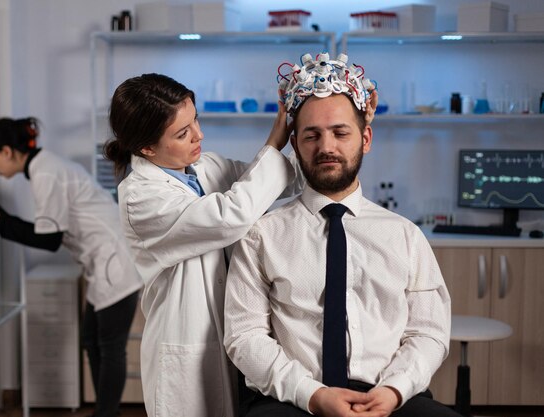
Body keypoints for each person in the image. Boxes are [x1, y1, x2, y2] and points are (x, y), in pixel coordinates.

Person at [103, 72, 377, 417]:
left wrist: (320, 132)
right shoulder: (140, 198)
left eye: (195, 120)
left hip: (239, 338)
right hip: (190, 345)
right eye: (182, 133)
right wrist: (275, 141)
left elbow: (279, 181)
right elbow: (233, 215)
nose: (198, 135)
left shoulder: (205, 167)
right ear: (146, 148)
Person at [224, 53, 460, 417]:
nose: (326, 147)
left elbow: (428, 333)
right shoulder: (261, 236)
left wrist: (395, 391)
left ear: (365, 138)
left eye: (340, 132)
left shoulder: (405, 236)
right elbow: (244, 336)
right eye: (311, 135)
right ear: (295, 144)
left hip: (386, 395)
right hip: (292, 398)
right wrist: (313, 395)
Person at [0, 117, 142, 417]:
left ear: (8, 151)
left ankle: (106, 414)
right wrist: (2, 221)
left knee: (110, 347)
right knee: (92, 340)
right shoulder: (45, 166)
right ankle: (107, 412)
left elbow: (49, 239)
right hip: (102, 263)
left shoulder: (46, 173)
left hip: (116, 263)